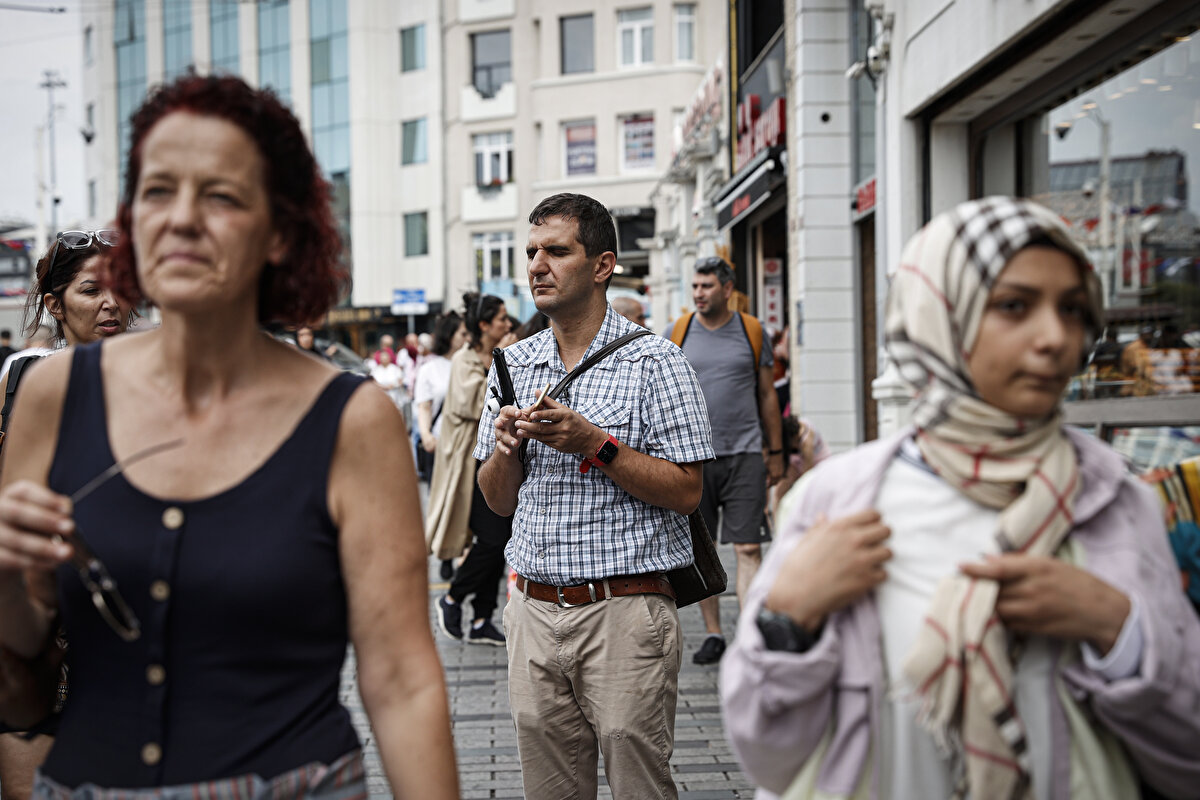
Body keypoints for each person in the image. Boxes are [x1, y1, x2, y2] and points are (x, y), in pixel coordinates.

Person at [0, 75, 457, 798]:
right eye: (157, 190)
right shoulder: (53, 396)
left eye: (220, 195)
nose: (182, 218)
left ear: (279, 232)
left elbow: (401, 679)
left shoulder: (351, 418)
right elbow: (21, 657)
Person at [720, 197, 1200, 800]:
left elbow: (1187, 758)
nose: (1055, 337)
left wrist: (1117, 631)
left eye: (1073, 309)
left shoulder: (1117, 502)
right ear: (939, 315)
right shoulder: (838, 500)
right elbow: (765, 754)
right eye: (1014, 306)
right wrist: (788, 619)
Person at [475, 193, 713, 799]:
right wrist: (505, 451)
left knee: (639, 787)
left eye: (556, 251)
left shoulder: (657, 362)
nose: (537, 265)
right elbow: (497, 501)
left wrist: (594, 443)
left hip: (625, 611)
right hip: (532, 610)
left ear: (602, 265)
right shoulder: (511, 364)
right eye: (532, 252)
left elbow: (688, 491)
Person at [0, 228, 134, 800]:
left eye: (119, 287)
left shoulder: (157, 378)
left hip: (127, 620)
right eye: (90, 290)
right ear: (55, 306)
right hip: (36, 619)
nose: (111, 303)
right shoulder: (22, 375)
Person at [670, 256, 783, 666]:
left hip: (746, 452)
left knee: (749, 546)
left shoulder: (752, 331)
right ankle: (714, 634)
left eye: (707, 286)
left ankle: (749, 634)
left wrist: (776, 452)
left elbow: (767, 394)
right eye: (695, 286)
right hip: (694, 457)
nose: (698, 294)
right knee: (705, 550)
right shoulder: (677, 333)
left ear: (727, 288)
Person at [429, 293, 513, 646]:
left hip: (499, 460)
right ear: (484, 325)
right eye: (502, 319)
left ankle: (481, 618)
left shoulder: (502, 355)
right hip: (470, 465)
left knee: (500, 538)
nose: (508, 324)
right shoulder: (465, 359)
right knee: (492, 539)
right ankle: (452, 597)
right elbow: (477, 405)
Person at [414, 311, 466, 487]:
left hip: (467, 445)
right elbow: (424, 406)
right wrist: (426, 435)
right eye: (462, 334)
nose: (467, 338)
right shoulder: (429, 369)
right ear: (449, 335)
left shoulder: (472, 366)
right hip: (439, 444)